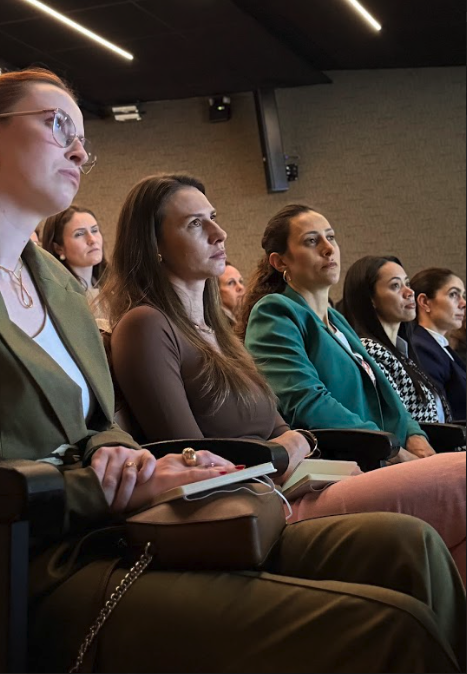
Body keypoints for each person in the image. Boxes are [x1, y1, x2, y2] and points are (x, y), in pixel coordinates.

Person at [0, 72, 465, 673]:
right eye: (56, 123)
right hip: (35, 561)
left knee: (412, 548)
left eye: (84, 134)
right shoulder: (143, 320)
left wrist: (120, 452)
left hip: (116, 528)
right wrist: (123, 477)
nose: (81, 151)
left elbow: (95, 424)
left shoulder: (57, 286)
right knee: (390, 627)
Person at [103, 183, 465, 581]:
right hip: (262, 507)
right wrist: (284, 449)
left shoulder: (216, 334)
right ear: (153, 244)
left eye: (214, 218)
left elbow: (286, 428)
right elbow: (195, 462)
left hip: (301, 482)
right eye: (195, 223)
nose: (218, 233)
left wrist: (297, 443)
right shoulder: (146, 326)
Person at [342, 255, 452, 423]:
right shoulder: (370, 352)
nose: (410, 292)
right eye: (395, 286)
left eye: (407, 284)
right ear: (370, 299)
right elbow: (398, 421)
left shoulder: (403, 351)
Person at [410, 268, 466, 420]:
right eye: (453, 294)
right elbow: (437, 414)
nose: (463, 303)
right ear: (424, 302)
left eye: (463, 296)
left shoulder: (440, 346)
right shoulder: (421, 348)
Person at [41, 205, 108, 322]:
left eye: (94, 230)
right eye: (79, 234)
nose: (92, 239)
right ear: (58, 248)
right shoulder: (60, 298)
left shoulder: (113, 286)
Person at [218, 261, 246, 326]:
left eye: (241, 281)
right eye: (230, 283)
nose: (240, 287)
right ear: (216, 291)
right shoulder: (216, 328)